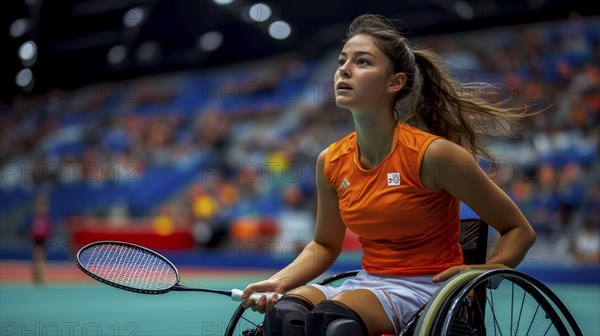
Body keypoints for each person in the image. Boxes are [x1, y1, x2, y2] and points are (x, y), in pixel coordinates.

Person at [241, 14, 536, 336]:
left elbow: (518, 229)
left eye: (363, 62)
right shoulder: (330, 160)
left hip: (428, 290)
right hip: (368, 283)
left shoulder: (435, 155)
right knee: (286, 315)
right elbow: (325, 244)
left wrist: (489, 269)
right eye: (342, 61)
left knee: (333, 323)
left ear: (395, 82)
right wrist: (280, 281)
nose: (344, 69)